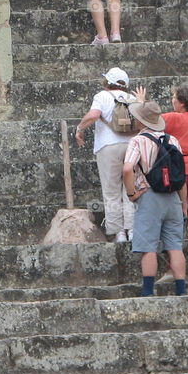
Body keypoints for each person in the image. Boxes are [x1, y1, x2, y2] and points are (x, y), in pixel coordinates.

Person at [136, 84, 188, 283]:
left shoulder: (172, 118)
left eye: (174, 98)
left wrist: (140, 103)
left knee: (175, 218)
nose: (172, 101)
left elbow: (149, 122)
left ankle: (173, 270)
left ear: (180, 102)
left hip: (180, 173)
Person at [123, 100, 188, 297]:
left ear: (140, 121)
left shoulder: (137, 141)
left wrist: (131, 193)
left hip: (149, 196)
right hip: (173, 198)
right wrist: (183, 204)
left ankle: (148, 290)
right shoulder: (173, 140)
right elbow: (181, 176)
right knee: (175, 246)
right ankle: (181, 290)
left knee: (148, 246)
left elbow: (127, 168)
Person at [75, 67, 137, 243]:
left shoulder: (102, 96)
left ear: (108, 82)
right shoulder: (132, 98)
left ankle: (119, 233)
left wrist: (80, 128)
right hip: (132, 146)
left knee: (111, 190)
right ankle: (132, 230)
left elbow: (94, 115)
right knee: (130, 189)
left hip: (108, 146)